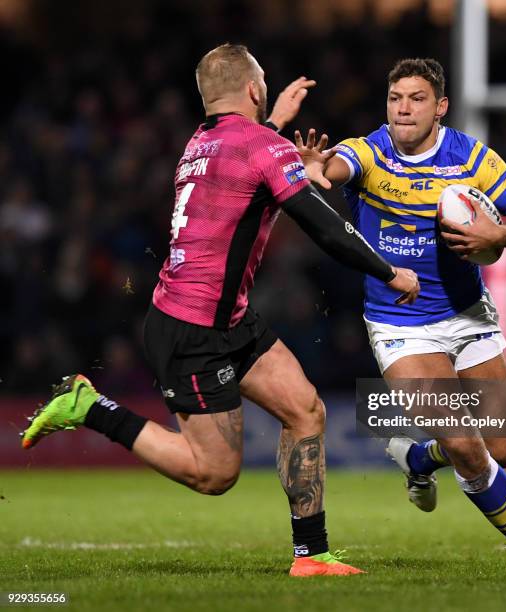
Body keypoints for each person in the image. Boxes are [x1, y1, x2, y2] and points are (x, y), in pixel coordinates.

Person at [21, 44, 420, 578]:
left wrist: (275, 121)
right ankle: (89, 406)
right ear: (254, 90)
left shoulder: (200, 142)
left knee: (304, 410)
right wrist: (390, 271)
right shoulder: (260, 147)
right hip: (192, 331)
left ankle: (312, 555)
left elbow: (249, 156)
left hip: (222, 318)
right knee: (214, 474)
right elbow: (322, 225)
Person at [295, 58, 506, 571]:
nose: (403, 109)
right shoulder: (370, 151)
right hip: (400, 323)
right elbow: (336, 166)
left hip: (468, 313)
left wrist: (498, 235)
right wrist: (315, 168)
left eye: (416, 99)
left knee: (503, 449)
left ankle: (417, 458)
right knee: (464, 442)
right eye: (395, 99)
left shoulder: (471, 159)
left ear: (440, 108)